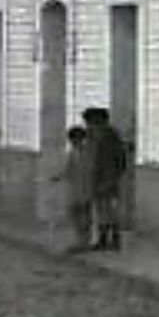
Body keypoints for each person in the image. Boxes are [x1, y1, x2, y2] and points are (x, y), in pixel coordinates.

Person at [82, 106, 128, 251]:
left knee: (109, 211)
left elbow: (119, 160)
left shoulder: (109, 138)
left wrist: (112, 179)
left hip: (108, 179)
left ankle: (113, 239)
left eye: (90, 123)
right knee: (102, 211)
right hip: (98, 178)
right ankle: (104, 239)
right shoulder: (94, 136)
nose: (88, 126)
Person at [51, 124, 94, 252]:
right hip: (75, 190)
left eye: (76, 139)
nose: (74, 142)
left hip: (85, 189)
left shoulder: (88, 153)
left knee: (84, 217)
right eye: (73, 140)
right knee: (77, 216)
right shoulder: (73, 153)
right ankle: (81, 241)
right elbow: (67, 170)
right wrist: (57, 177)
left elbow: (91, 171)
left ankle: (85, 242)